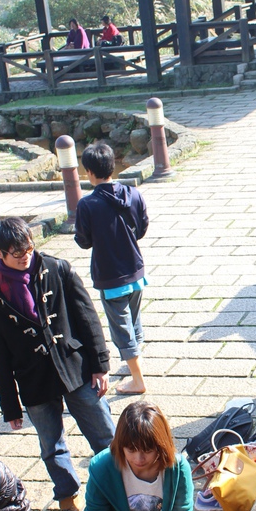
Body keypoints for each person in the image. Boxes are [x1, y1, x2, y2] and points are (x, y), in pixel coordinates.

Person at [0, 217, 116, 511]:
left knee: (104, 432)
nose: (26, 254)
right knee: (51, 446)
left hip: (74, 366)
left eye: (28, 246)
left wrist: (101, 365)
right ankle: (67, 495)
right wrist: (10, 406)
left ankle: (121, 482)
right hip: (33, 379)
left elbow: (87, 318)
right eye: (17, 252)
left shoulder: (57, 268)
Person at [75, 141, 149, 395]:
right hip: (135, 269)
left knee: (121, 326)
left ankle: (138, 380)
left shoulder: (88, 204)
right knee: (134, 318)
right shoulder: (133, 193)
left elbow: (83, 241)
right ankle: (134, 363)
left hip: (110, 275)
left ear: (89, 172)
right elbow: (141, 226)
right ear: (112, 166)